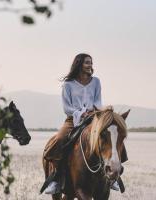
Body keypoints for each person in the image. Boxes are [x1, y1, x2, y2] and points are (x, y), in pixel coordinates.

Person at [43, 53, 123, 194]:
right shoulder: (68, 85)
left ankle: (115, 177)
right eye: (87, 62)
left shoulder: (96, 82)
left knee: (113, 137)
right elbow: (67, 107)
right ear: (79, 64)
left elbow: (98, 101)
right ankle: (55, 178)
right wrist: (80, 113)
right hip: (73, 119)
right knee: (59, 139)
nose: (90, 65)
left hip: (94, 118)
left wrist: (94, 112)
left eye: (91, 63)